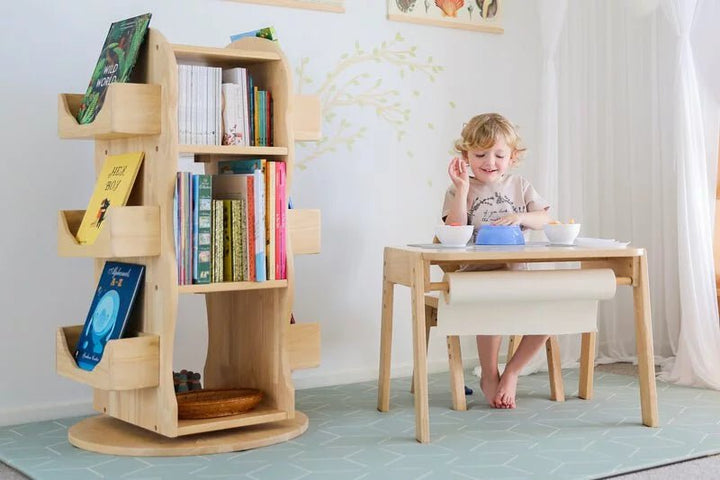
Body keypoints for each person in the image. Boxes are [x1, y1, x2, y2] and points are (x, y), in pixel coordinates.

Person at [441, 112, 552, 409]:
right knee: (493, 309)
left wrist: (521, 216)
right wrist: (463, 188)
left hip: (517, 274)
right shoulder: (458, 188)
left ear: (512, 157)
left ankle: (512, 372)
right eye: (480, 154)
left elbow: (545, 219)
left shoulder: (521, 185)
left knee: (551, 313)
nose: (489, 162)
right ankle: (489, 374)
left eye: (499, 155)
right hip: (477, 274)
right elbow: (454, 231)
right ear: (465, 155)